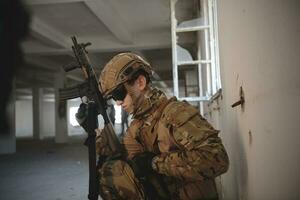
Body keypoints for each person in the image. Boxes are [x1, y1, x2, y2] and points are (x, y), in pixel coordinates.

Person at [96, 53, 229, 200]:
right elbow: (124, 160)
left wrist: (154, 163)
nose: (118, 103)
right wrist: (94, 133)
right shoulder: (137, 125)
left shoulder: (175, 113)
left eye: (119, 94)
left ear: (140, 82)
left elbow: (216, 158)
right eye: (113, 98)